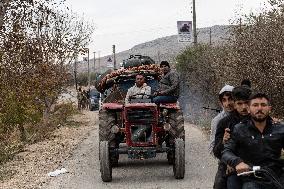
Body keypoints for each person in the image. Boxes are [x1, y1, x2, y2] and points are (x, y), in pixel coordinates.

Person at [222, 93, 284, 189]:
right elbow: (226, 151)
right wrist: (237, 162)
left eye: (263, 105)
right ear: (249, 109)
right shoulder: (239, 129)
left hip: (276, 176)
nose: (259, 108)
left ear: (269, 108)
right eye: (255, 105)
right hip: (251, 177)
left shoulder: (280, 128)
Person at [213, 85, 252, 189]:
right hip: (229, 164)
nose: (244, 107)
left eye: (247, 103)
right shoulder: (223, 122)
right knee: (220, 184)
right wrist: (223, 141)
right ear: (235, 104)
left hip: (255, 162)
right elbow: (216, 151)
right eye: (239, 103)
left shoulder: (259, 118)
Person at [209, 84, 234, 155]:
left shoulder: (243, 116)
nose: (228, 103)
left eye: (230, 99)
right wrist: (223, 141)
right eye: (224, 100)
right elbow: (212, 148)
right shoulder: (217, 120)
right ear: (221, 103)